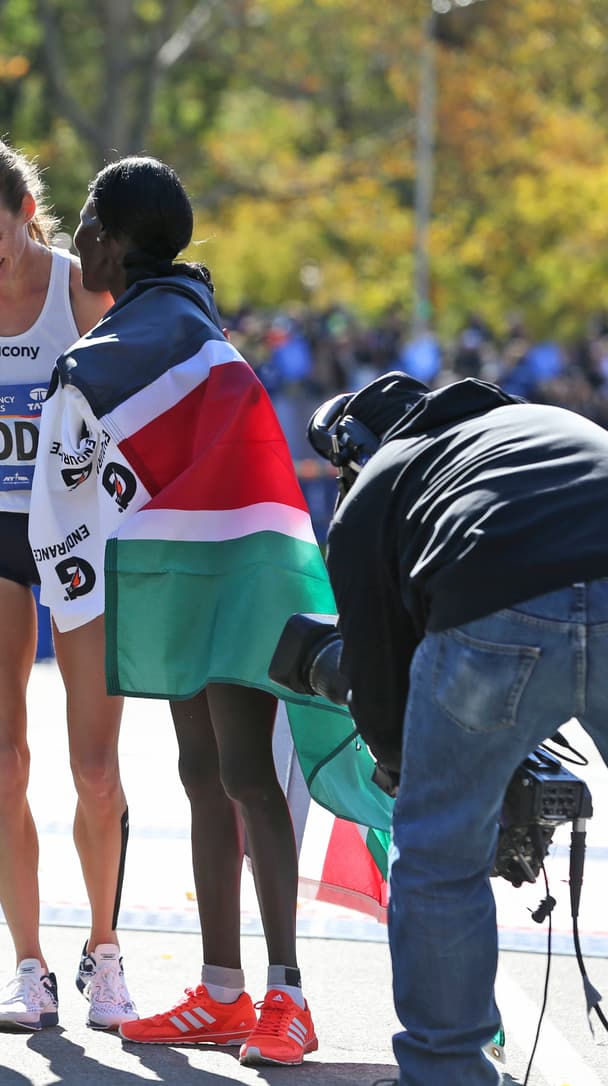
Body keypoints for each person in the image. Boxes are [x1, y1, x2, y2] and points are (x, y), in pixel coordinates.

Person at [30, 156, 380, 1067]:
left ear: (108, 241)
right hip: (183, 563)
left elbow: (77, 474)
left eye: (84, 235)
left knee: (248, 777)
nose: (76, 251)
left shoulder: (153, 341)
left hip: (245, 567)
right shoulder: (176, 323)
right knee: (199, 770)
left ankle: (287, 996)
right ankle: (222, 992)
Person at [306, 371, 608, 1084]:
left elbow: (376, 678)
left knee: (439, 856)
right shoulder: (544, 425)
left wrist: (406, 770)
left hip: (496, 597)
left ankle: (448, 1072)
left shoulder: (381, 482)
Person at [0, 137, 125, 1031]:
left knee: (94, 765)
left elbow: (133, 415)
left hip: (77, 537)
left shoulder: (81, 289)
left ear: (28, 214)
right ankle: (28, 966)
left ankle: (106, 952)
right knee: (3, 757)